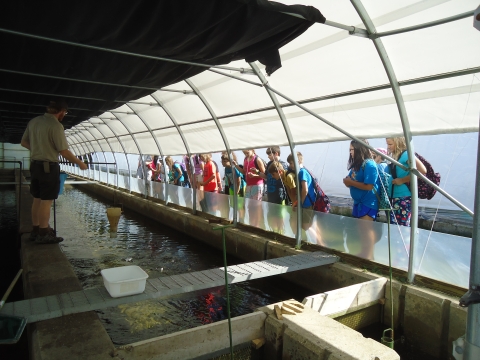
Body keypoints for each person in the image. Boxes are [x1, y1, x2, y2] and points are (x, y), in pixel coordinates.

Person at [21, 99, 88, 244]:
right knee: (47, 201)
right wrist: (79, 163)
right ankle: (44, 232)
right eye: (64, 112)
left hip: (35, 165)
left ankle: (36, 229)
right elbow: (63, 151)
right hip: (48, 167)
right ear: (62, 112)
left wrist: (39, 150)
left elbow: (24, 142)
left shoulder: (34, 121)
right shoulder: (56, 125)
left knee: (37, 199)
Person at [342, 140, 380, 259]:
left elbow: (369, 186)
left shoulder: (370, 164)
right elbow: (351, 180)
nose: (350, 152)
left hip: (368, 202)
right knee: (361, 228)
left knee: (367, 228)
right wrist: (348, 182)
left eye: (352, 150)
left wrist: (351, 182)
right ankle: (365, 253)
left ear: (359, 149)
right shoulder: (356, 165)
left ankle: (369, 255)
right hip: (359, 202)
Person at [386, 137, 427, 227]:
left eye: (390, 144)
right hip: (395, 196)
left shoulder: (405, 155)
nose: (388, 147)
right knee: (395, 227)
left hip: (402, 198)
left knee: (401, 227)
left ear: (398, 143)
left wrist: (402, 180)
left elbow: (423, 171)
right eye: (387, 144)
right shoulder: (397, 156)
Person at [233, 149, 265, 228]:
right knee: (249, 205)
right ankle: (252, 223)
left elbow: (264, 174)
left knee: (256, 206)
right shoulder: (245, 159)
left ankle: (257, 225)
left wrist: (255, 175)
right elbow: (244, 172)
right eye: (244, 153)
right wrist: (236, 165)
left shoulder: (257, 159)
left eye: (247, 153)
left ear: (252, 150)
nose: (246, 155)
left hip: (257, 185)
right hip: (249, 185)